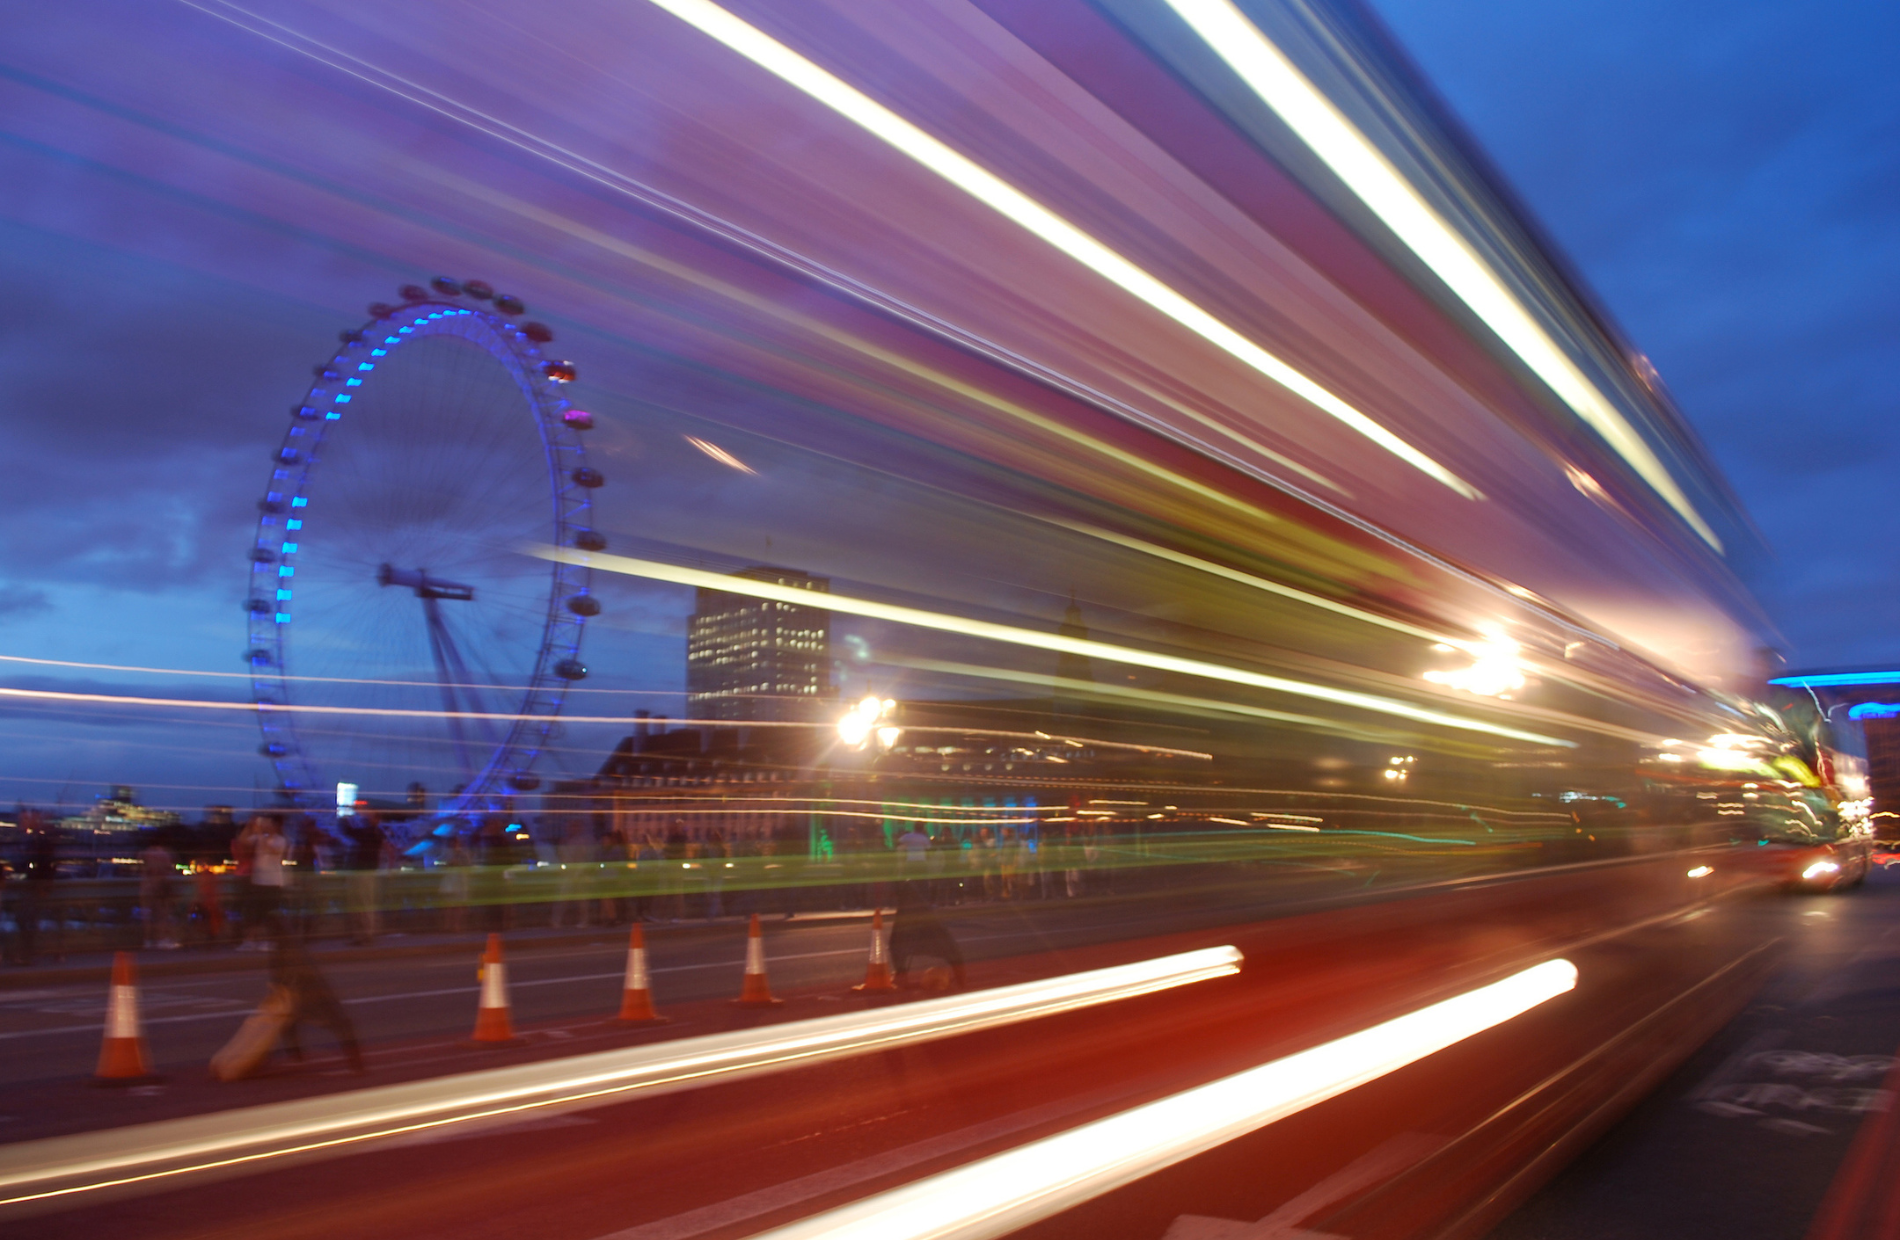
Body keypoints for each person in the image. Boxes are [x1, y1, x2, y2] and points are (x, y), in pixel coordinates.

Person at [269, 931, 365, 1073]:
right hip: (311, 996)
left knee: (289, 1022)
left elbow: (278, 978)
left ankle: (296, 1055)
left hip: (300, 997)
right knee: (341, 1024)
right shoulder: (292, 951)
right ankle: (356, 1063)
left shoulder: (281, 953)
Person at [889, 879, 965, 990]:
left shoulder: (909, 908)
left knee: (897, 945)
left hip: (919, 931)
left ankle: (901, 976)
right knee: (950, 950)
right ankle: (902, 975)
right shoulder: (913, 907)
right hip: (922, 931)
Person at [245, 815, 289, 950]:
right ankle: (250, 941)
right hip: (258, 880)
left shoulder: (280, 840)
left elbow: (270, 850)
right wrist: (249, 826)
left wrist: (259, 833)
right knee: (254, 913)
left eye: (269, 824)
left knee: (269, 914)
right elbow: (243, 842)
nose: (267, 826)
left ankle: (269, 941)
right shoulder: (259, 837)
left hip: (273, 882)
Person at [342, 811, 384, 944]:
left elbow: (349, 831)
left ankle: (364, 935)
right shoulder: (375, 833)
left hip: (363, 873)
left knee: (362, 904)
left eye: (370, 816)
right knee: (364, 904)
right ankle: (365, 934)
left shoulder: (370, 833)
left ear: (377, 819)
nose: (366, 817)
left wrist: (344, 818)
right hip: (366, 872)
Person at [139, 834, 181, 950]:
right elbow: (168, 870)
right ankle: (161, 939)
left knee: (147, 915)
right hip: (160, 887)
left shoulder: (145, 853)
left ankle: (147, 940)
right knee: (162, 915)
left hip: (146, 887)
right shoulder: (165, 853)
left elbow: (143, 868)